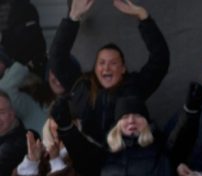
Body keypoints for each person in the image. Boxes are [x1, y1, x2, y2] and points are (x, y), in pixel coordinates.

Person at [47, 0, 169, 147]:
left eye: (113, 63)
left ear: (123, 68)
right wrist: (72, 18)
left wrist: (143, 17)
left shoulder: (135, 87)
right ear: (95, 68)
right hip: (85, 159)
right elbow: (56, 57)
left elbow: (160, 59)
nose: (107, 68)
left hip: (122, 159)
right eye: (102, 63)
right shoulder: (81, 86)